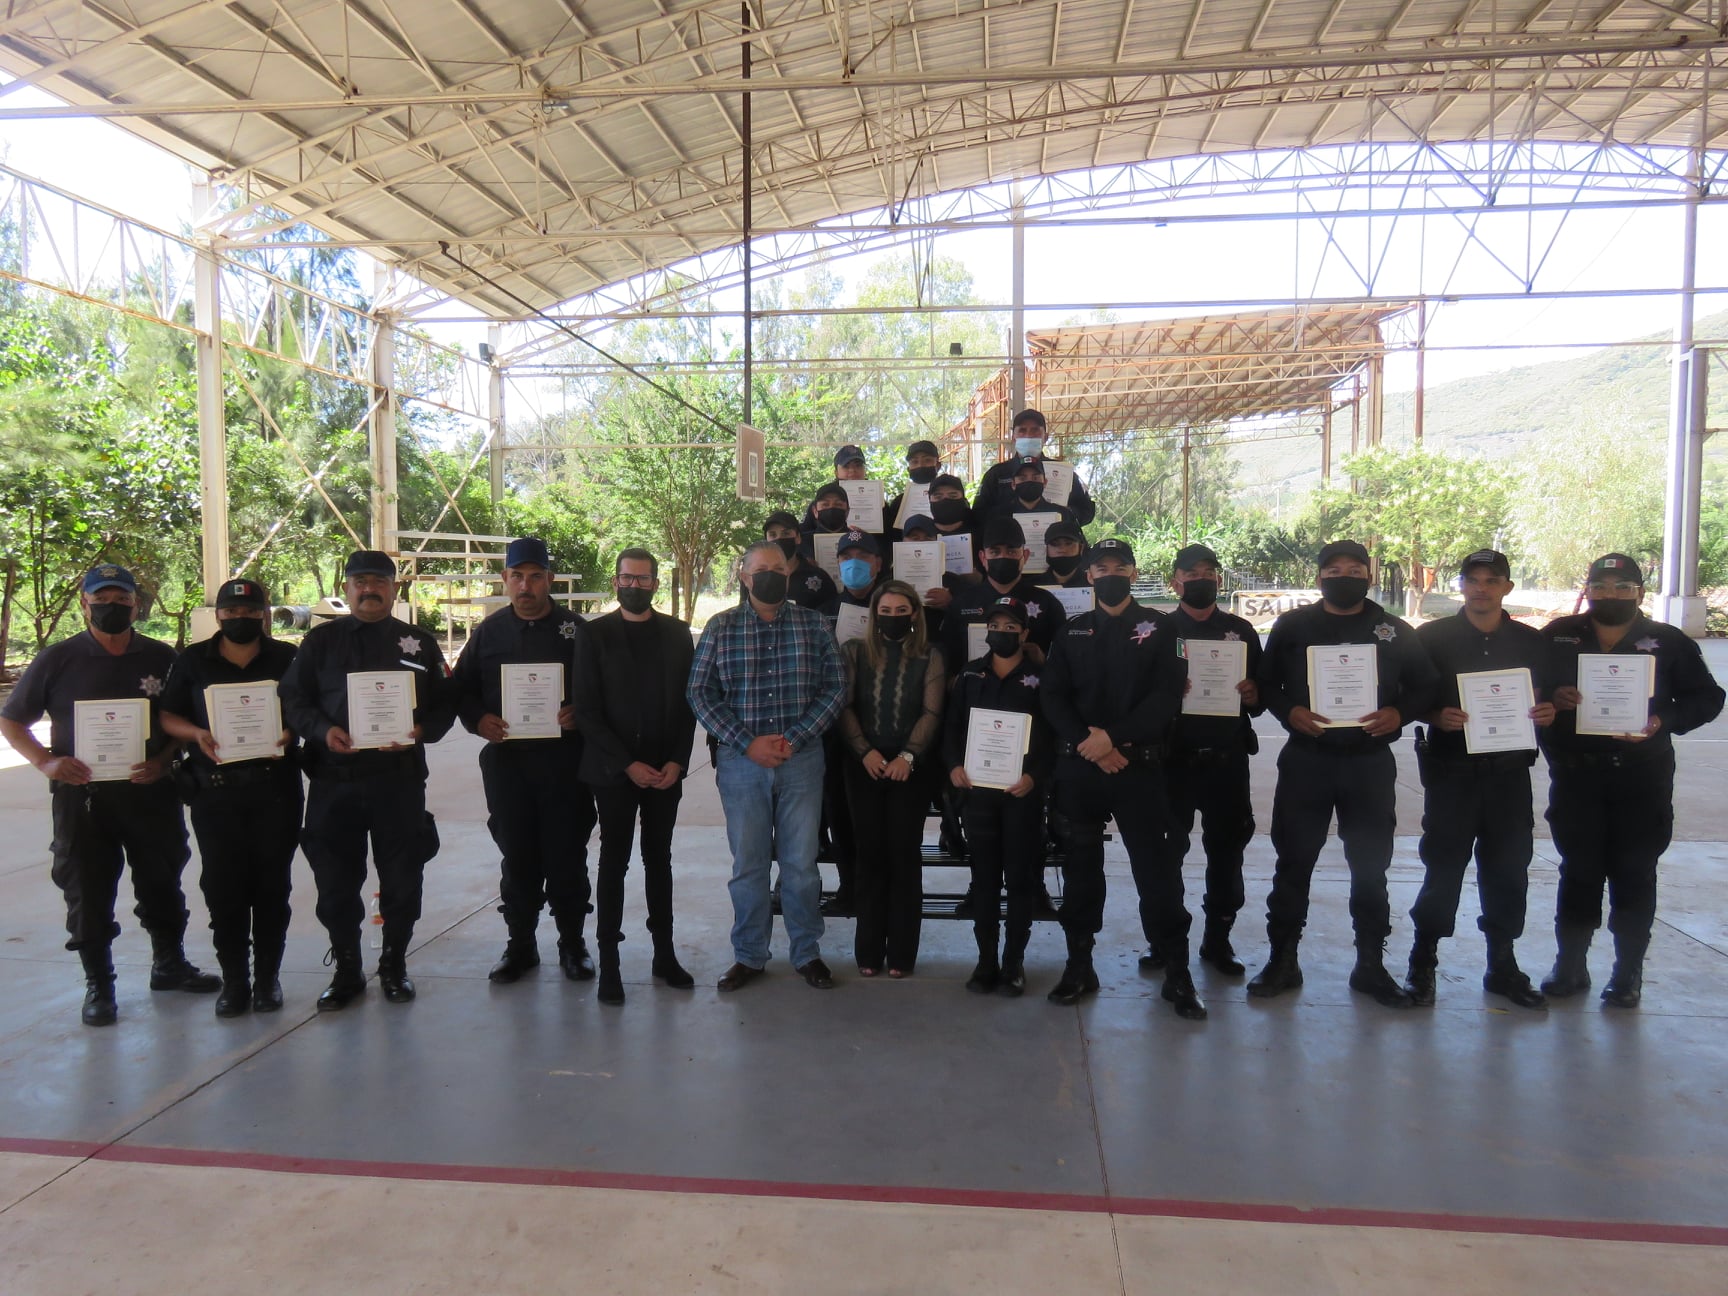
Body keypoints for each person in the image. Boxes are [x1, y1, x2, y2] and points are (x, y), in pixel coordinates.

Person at [0, 564, 218, 1026]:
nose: (111, 607)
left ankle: (169, 963)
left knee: (162, 880)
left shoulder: (162, 657)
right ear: (85, 604)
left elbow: (181, 720)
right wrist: (46, 762)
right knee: (87, 888)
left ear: (137, 605)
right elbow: (12, 720)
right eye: (101, 599)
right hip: (84, 799)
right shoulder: (58, 659)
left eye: (121, 599)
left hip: (150, 792)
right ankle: (99, 983)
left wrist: (164, 760)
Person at [1249, 541, 1439, 1008]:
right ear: (1319, 578)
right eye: (1334, 569)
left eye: (1355, 569)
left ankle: (1370, 965)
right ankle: (1282, 960)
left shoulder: (1393, 630)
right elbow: (1266, 683)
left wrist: (1399, 712)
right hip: (1307, 760)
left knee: (1371, 868)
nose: (1344, 576)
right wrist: (1289, 710)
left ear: (1369, 576)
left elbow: (1426, 685)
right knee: (1294, 862)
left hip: (1368, 763)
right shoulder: (1294, 626)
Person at [1537, 553, 1724, 1008]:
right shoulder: (1559, 635)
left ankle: (1627, 972)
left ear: (1640, 593)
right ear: (1587, 590)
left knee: (1634, 872)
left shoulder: (1668, 641)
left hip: (1642, 779)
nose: (1611, 594)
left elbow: (1708, 698)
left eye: (1623, 587)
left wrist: (1663, 720)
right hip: (1576, 777)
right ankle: (1570, 964)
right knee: (1578, 870)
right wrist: (1554, 696)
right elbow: (1528, 684)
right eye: (1601, 586)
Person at [278, 550, 455, 1010]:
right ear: (347, 588)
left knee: (402, 877)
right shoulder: (320, 643)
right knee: (335, 881)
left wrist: (419, 731)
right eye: (360, 582)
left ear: (394, 589)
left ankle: (394, 965)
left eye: (379, 581)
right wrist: (323, 731)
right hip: (334, 781)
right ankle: (347, 969)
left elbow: (445, 703)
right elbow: (293, 700)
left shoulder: (419, 643)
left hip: (398, 781)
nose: (369, 589)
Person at [1042, 539, 1201, 1018]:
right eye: (1101, 567)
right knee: (1080, 870)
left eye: (1119, 566)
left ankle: (1177, 972)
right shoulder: (1071, 630)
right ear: (1089, 575)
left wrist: (1112, 739)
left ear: (1133, 573)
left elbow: (1167, 696)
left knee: (1157, 872)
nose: (1110, 573)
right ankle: (1079, 965)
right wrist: (1089, 743)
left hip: (1139, 769)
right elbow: (1053, 696)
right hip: (1082, 768)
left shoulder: (1163, 628)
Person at [688, 539, 846, 991]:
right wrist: (746, 743)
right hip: (741, 765)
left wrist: (795, 738)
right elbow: (699, 692)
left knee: (801, 866)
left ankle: (807, 953)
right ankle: (749, 955)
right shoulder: (720, 627)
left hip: (802, 762)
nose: (769, 576)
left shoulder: (815, 625)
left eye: (777, 568)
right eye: (760, 570)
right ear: (744, 576)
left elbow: (835, 687)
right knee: (749, 866)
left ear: (789, 573)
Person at [1403, 550, 1556, 1010]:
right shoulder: (1432, 638)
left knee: (1508, 870)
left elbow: (1545, 697)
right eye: (1473, 579)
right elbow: (1406, 695)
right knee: (1443, 868)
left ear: (1507, 587)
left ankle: (1502, 965)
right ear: (1461, 586)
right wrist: (1435, 715)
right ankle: (1423, 961)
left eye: (1492, 580)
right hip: (1452, 775)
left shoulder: (1530, 641)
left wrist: (1547, 712)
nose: (1482, 588)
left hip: (1509, 776)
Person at [449, 537, 598, 988]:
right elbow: (461, 689)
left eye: (535, 576)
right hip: (508, 764)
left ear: (549, 579)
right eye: (517, 576)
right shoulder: (489, 632)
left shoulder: (576, 630)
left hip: (565, 763)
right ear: (505, 579)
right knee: (517, 855)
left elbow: (601, 689)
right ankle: (520, 945)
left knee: (567, 854)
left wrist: (581, 712)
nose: (525, 586)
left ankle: (572, 943)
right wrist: (479, 720)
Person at [158, 578, 301, 1017]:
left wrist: (290, 731)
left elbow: (306, 708)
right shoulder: (192, 659)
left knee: (272, 886)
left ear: (265, 613)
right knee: (223, 888)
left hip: (275, 791)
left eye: (251, 611)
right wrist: (196, 733)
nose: (241, 618)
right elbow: (167, 715)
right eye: (232, 611)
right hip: (215, 793)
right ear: (218, 614)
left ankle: (268, 980)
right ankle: (235, 981)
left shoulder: (287, 657)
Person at [571, 548, 698, 1006]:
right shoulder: (594, 635)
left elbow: (689, 704)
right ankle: (610, 963)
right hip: (613, 771)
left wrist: (677, 762)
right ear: (616, 581)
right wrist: (627, 764)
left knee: (659, 859)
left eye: (643, 579)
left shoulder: (678, 634)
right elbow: (586, 710)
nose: (635, 586)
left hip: (665, 771)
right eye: (627, 578)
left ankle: (664, 955)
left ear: (655, 583)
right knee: (614, 862)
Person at [1158, 544, 1264, 978]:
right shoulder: (1160, 631)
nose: (1201, 579)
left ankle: (1218, 939)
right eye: (1191, 573)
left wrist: (1253, 694)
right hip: (1173, 761)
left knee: (1227, 851)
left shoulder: (1241, 631)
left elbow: (1261, 696)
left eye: (1209, 572)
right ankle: (1165, 939)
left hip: (1227, 761)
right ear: (1175, 582)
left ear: (1219, 579)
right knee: (1165, 854)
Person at [945, 597, 1054, 996]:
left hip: (1022, 794)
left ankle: (1013, 963)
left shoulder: (1042, 677)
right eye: (995, 627)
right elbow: (952, 727)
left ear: (1025, 633)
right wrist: (954, 765)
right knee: (985, 879)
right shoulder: (970, 674)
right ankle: (986, 961)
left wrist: (1034, 777)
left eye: (1011, 628)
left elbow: (1053, 735)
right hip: (979, 794)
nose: (1002, 633)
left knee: (1020, 880)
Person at [837, 581, 945, 977]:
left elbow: (932, 712)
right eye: (886, 610)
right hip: (863, 765)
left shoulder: (931, 654)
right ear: (874, 614)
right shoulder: (853, 651)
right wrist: (864, 751)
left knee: (904, 857)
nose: (893, 617)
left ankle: (902, 954)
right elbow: (844, 705)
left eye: (902, 610)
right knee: (869, 857)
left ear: (914, 613)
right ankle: (868, 951)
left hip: (911, 770)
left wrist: (908, 756)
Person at [938, 515, 1068, 678]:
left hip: (1032, 690)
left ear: (1025, 556)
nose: (1002, 557)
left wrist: (1043, 661)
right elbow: (947, 657)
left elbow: (1064, 659)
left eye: (1011, 551)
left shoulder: (1048, 603)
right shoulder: (962, 603)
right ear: (983, 558)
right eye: (995, 552)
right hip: (974, 689)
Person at [973, 408, 1096, 527]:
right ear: (1013, 437)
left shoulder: (1064, 472)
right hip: (1009, 540)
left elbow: (1086, 510)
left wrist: (1065, 515)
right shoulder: (997, 474)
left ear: (1045, 437)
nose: (1028, 435)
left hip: (1054, 540)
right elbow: (978, 513)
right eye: (1022, 430)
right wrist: (1003, 518)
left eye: (1035, 430)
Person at [764, 509, 835, 610]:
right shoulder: (756, 576)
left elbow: (831, 615)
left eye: (786, 533)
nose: (779, 539)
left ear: (798, 538)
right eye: (772, 535)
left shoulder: (819, 576)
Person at [885, 439, 944, 542]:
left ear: (938, 465)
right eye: (915, 462)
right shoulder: (899, 503)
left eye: (927, 460)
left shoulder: (948, 499)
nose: (920, 465)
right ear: (908, 469)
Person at [1004, 456, 1079, 528]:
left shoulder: (1063, 514)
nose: (1029, 482)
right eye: (1022, 478)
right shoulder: (1002, 515)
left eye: (1035, 478)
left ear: (1045, 482)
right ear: (1013, 484)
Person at [1032, 520, 1089, 589]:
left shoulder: (1092, 585)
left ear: (1081, 548)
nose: (1062, 550)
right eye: (1055, 544)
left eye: (1068, 543)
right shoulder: (1031, 587)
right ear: (1046, 549)